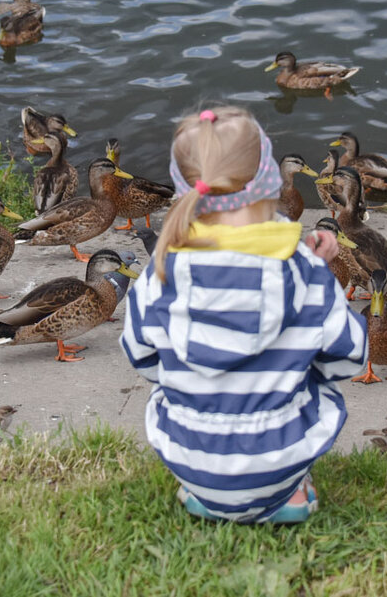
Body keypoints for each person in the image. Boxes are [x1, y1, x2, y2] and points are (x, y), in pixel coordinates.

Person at [120, 106, 368, 523]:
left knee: (171, 381)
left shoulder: (160, 272)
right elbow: (350, 356)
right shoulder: (304, 273)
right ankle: (285, 497)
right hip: (279, 455)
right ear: (268, 181)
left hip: (189, 453)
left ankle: (207, 490)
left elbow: (141, 358)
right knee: (315, 374)